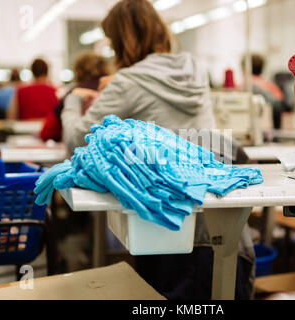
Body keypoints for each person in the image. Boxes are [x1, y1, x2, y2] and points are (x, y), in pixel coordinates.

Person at [61, 0, 254, 299]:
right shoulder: (195, 71)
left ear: (121, 42)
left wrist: (72, 100)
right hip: (222, 221)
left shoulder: (126, 82)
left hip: (167, 225)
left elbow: (77, 139)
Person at [40, 52, 109, 142]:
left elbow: (48, 131)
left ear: (79, 71)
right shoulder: (115, 90)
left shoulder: (75, 92)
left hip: (79, 146)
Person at [242, 54, 285, 129]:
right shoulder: (271, 86)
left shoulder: (245, 85)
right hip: (273, 127)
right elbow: (281, 104)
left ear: (245, 68)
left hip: (255, 127)